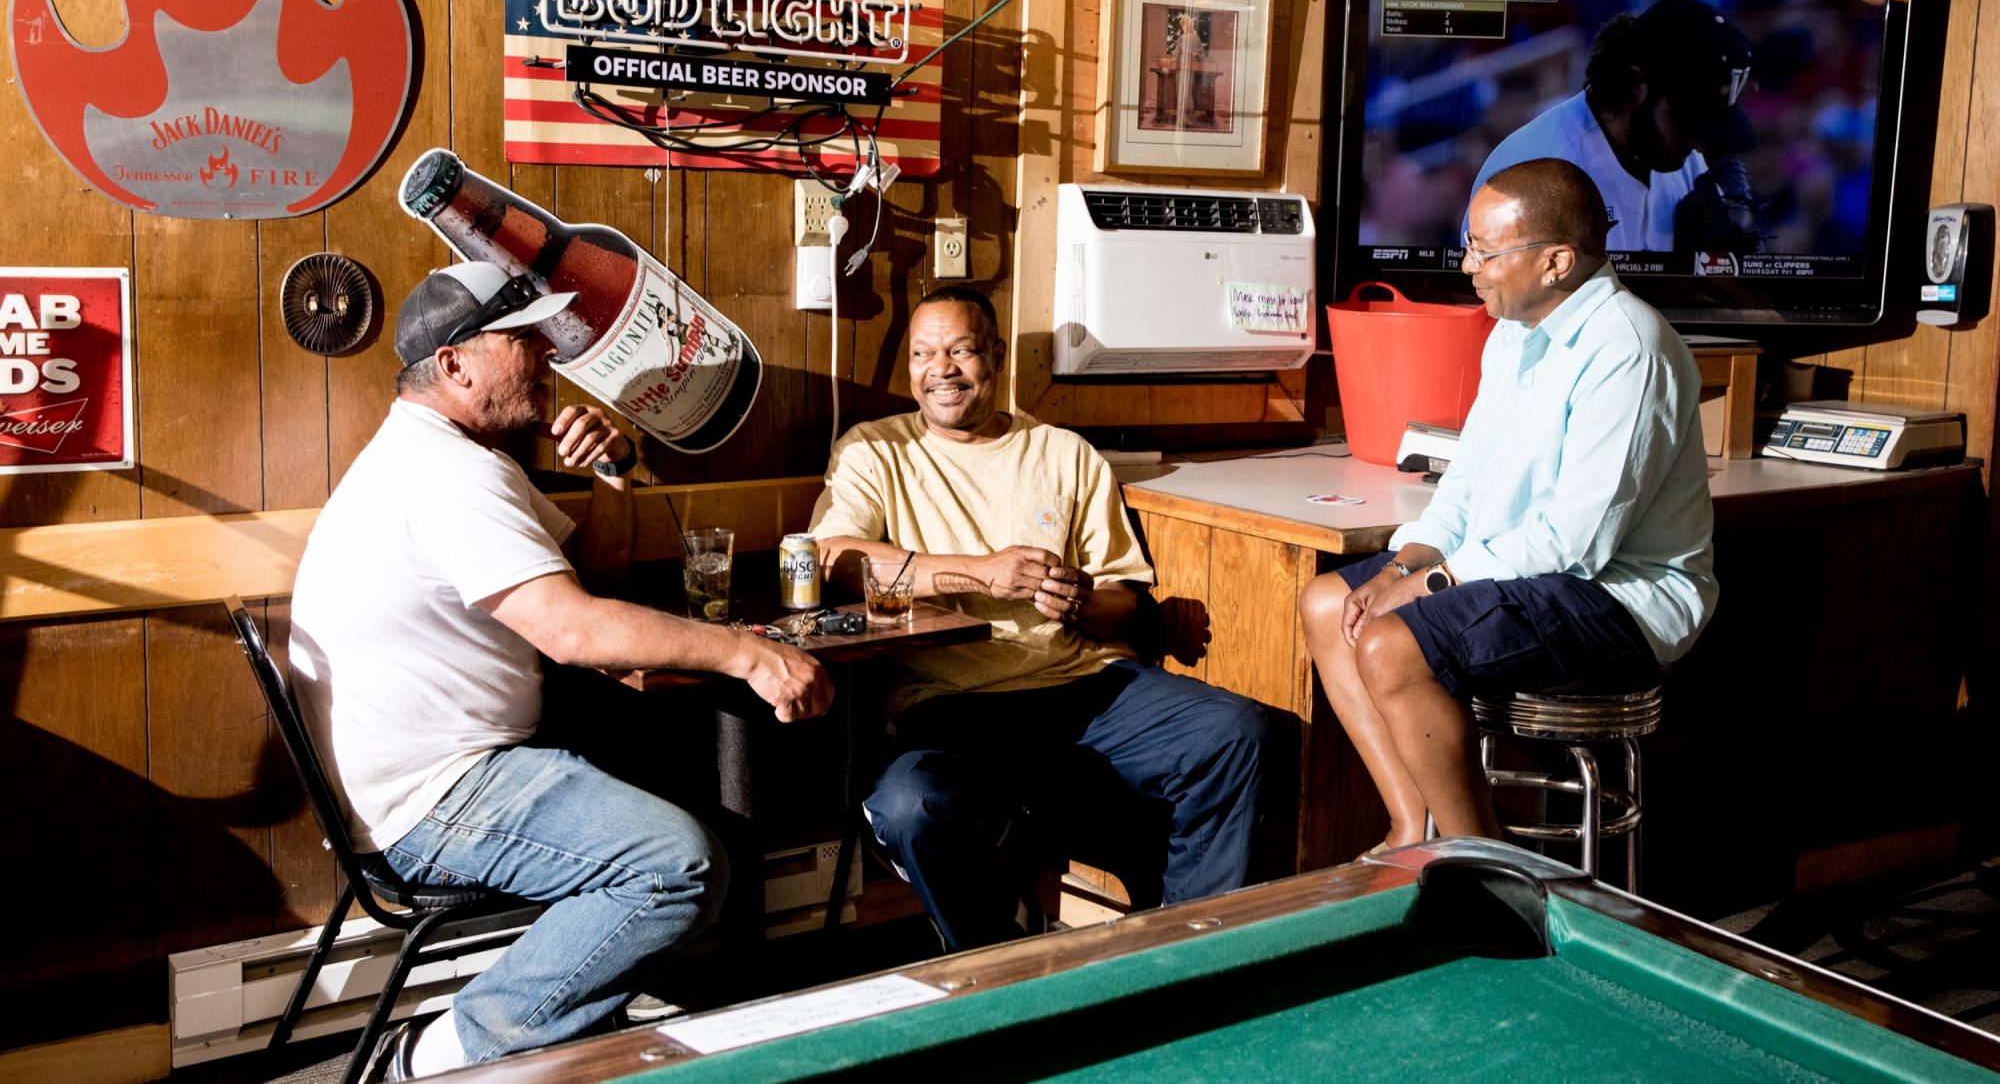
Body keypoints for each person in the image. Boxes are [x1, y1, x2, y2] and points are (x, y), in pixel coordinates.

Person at [289, 262, 832, 1079]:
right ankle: (436, 1054)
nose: (547, 353)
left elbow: (588, 580)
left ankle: (581, 1036)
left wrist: (612, 474)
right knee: (672, 866)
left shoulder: (455, 455)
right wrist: (751, 652)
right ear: (455, 364)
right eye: (523, 338)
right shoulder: (447, 474)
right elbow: (576, 631)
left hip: (441, 772)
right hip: (434, 798)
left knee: (664, 795)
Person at [807, 285, 1269, 951]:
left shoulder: (1062, 452)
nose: (941, 369)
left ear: (994, 353)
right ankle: (995, 961)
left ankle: (1193, 947)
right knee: (908, 805)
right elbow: (836, 558)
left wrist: (1082, 597)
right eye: (924, 353)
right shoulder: (875, 452)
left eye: (961, 350)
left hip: (1082, 684)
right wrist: (981, 570)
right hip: (948, 699)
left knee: (1232, 730)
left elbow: (1126, 599)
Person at [1303, 158, 1717, 851]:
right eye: (1470, 246)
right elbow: (1466, 483)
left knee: (1392, 644)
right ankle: (1414, 827)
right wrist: (1401, 564)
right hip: (1529, 573)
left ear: (1557, 261)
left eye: (1486, 251)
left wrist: (1428, 586)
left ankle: (1484, 868)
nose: (1470, 266)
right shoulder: (1511, 335)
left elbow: (1575, 542)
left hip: (1621, 597)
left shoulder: (1629, 348)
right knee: (1327, 604)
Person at [1473, 0, 1758, 253]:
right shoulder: (1533, 169)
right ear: (1636, 87)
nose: (1698, 142)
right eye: (1686, 119)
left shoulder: (1682, 157)